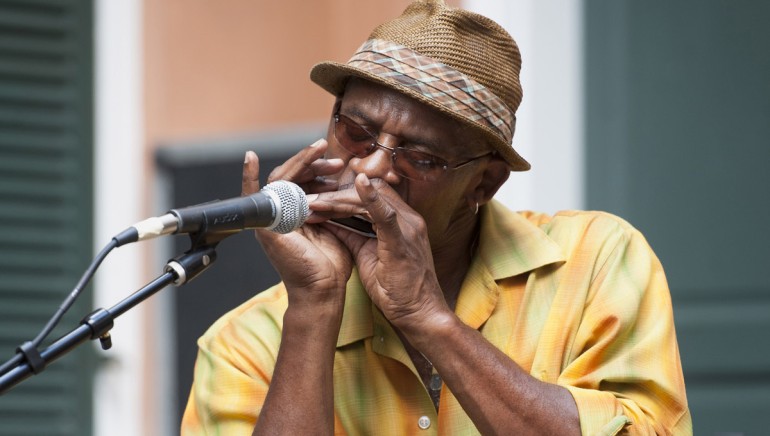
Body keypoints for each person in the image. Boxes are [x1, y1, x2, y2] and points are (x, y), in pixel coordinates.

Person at [181, 1, 692, 434]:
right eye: (357, 132)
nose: (372, 167)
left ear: (484, 183)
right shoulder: (245, 342)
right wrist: (314, 307)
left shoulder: (595, 261)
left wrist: (428, 318)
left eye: (420, 158)